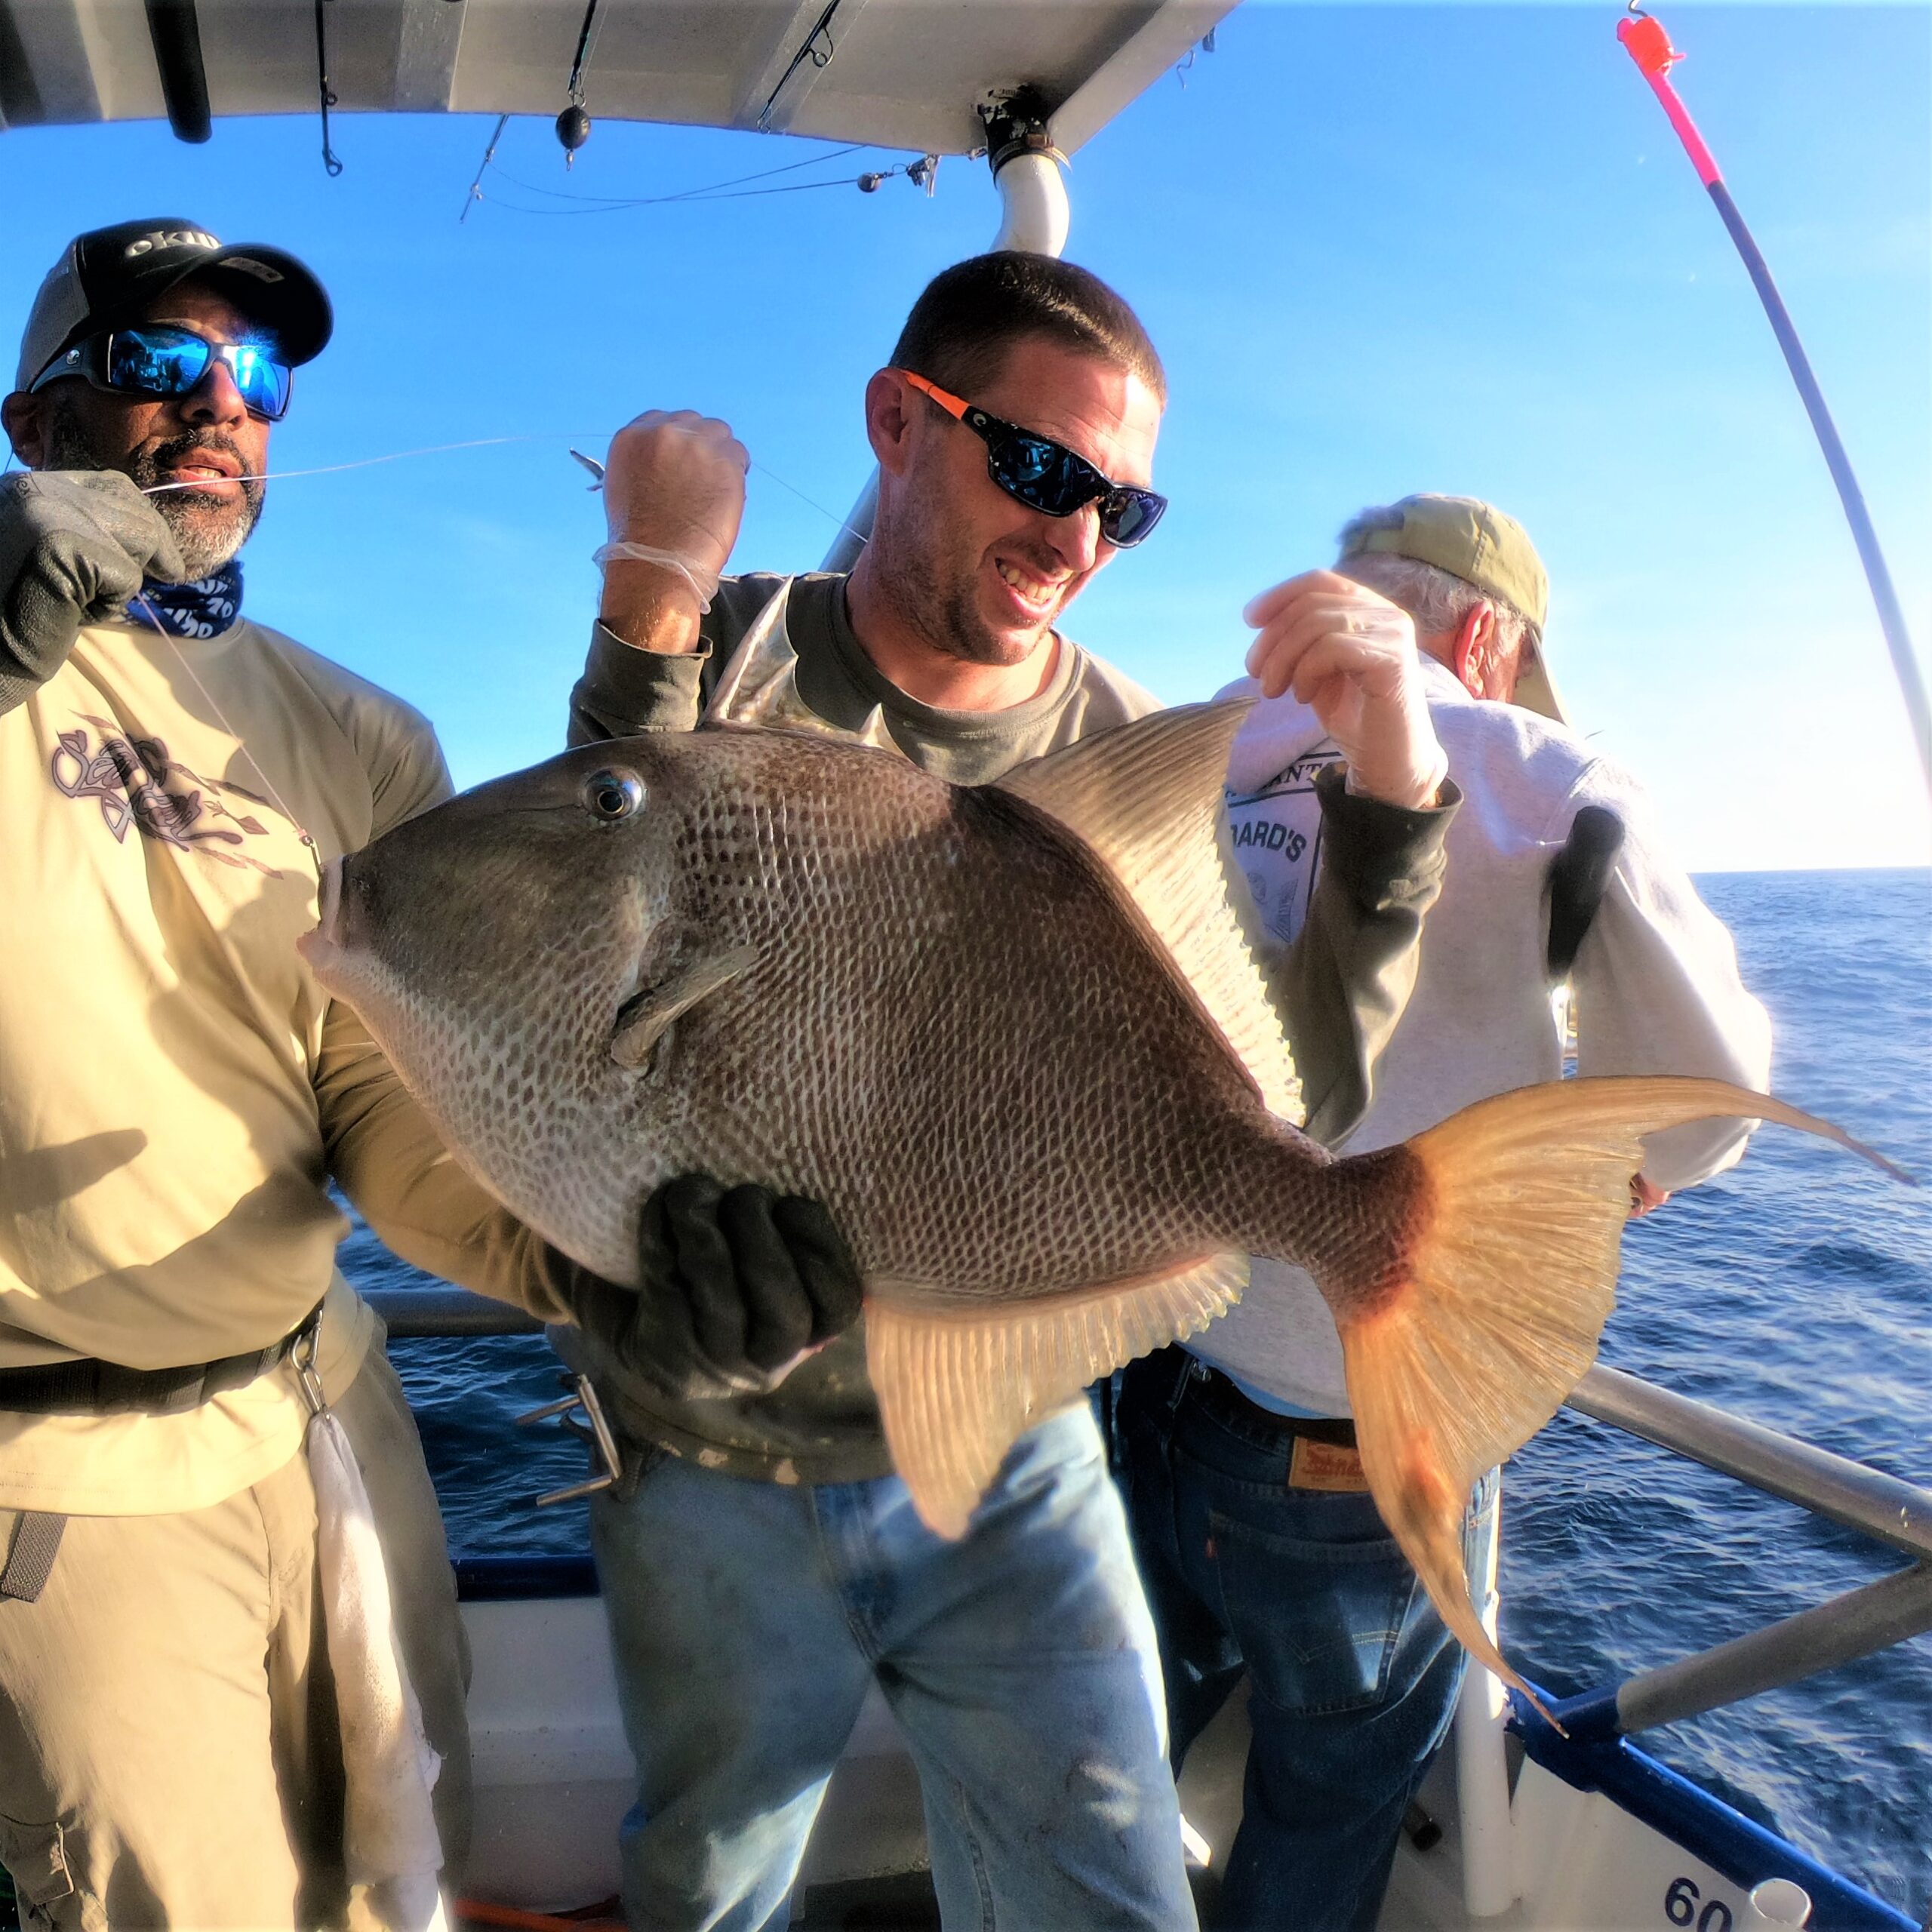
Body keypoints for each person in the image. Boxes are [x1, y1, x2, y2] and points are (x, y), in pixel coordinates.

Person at [557, 252, 1463, 1932]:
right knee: (708, 1874)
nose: (1074, 541)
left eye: (1125, 509)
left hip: (1014, 1440)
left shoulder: (1133, 743)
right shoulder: (728, 652)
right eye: (1041, 472)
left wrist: (1398, 782)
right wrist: (645, 589)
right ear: (900, 421)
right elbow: (588, 949)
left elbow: (1310, 1076)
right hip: (704, 1436)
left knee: (1106, 1892)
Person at [0, 217, 604, 1930]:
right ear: (32, 418)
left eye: (253, 374)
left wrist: (579, 1254)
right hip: (63, 1481)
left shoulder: (362, 733)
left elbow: (385, 1103)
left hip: (331, 1406)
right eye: (152, 360)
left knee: (400, 1871)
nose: (216, 403)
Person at [1112, 494, 1774, 1932]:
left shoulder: (1182, 748)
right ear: (1486, 634)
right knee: (1333, 1796)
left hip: (1149, 1378)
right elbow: (1708, 1103)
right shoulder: (1542, 775)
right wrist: (1618, 1159)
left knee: (1119, 1745)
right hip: (1359, 1438)